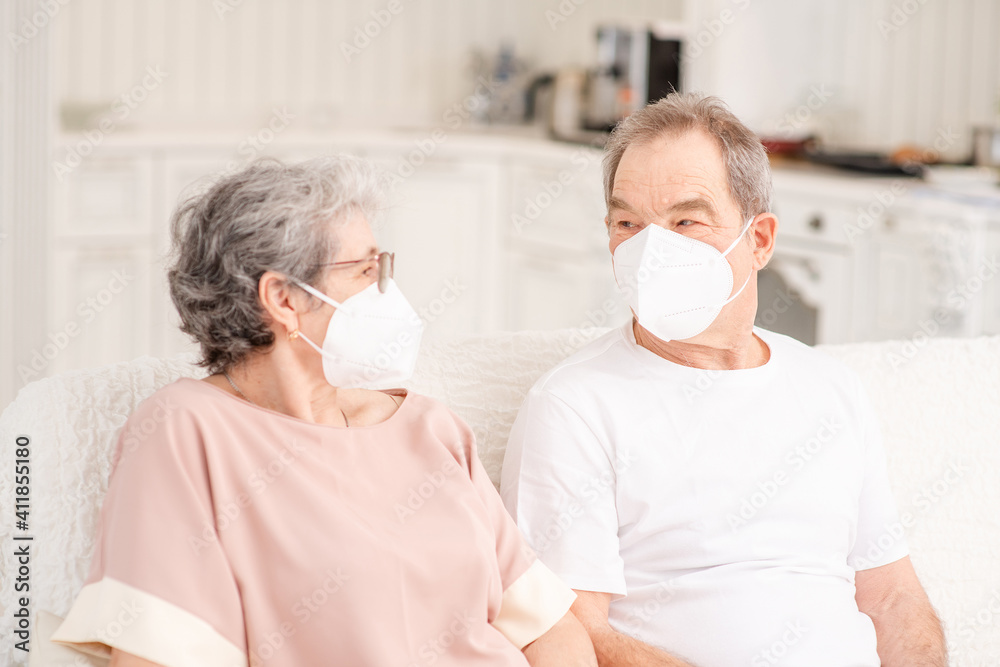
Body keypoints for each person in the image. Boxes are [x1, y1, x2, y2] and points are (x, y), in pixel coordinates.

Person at [49, 156, 597, 667]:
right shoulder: (185, 430)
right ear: (284, 299)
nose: (388, 291)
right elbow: (155, 653)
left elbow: (549, 629)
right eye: (366, 271)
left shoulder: (430, 428)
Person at [500, 93, 947, 667]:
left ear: (758, 240)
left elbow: (893, 596)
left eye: (686, 220)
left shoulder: (832, 389)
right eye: (627, 223)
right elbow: (569, 633)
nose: (650, 249)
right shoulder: (574, 406)